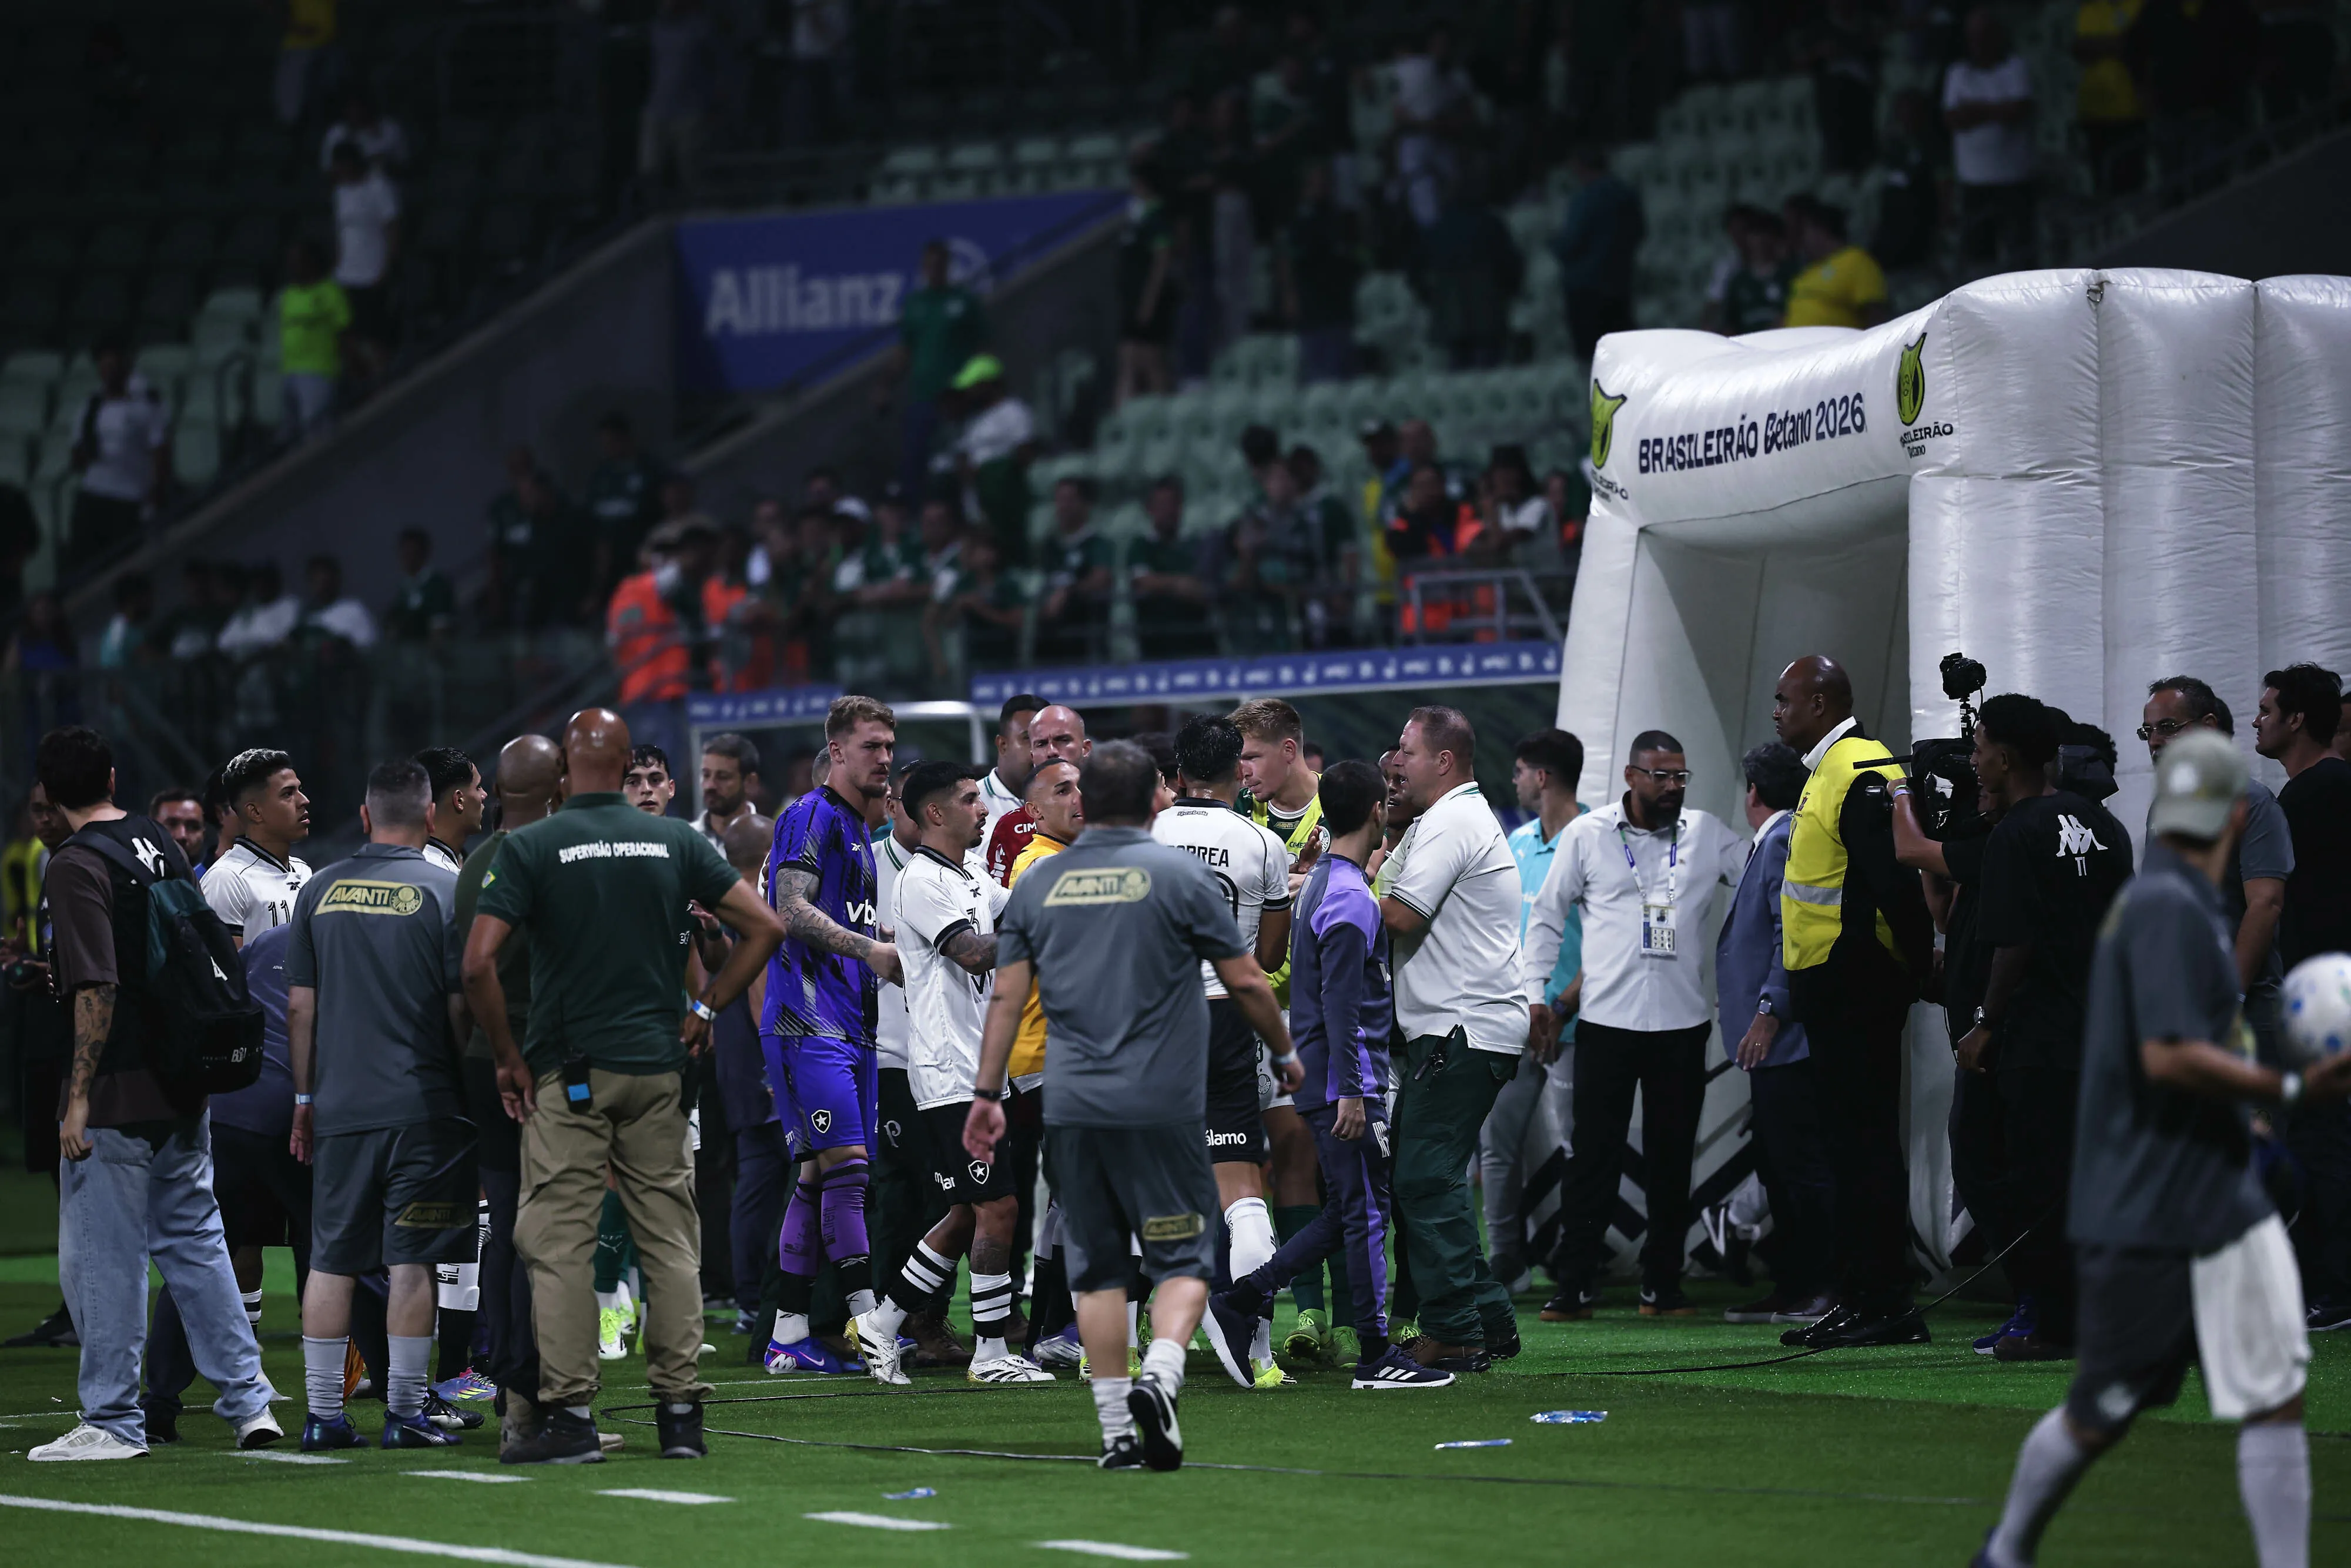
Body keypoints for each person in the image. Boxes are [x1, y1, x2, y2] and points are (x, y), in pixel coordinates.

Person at [1974, 730, 2345, 1568]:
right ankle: (2007, 1550)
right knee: (2103, 1408)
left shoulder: (2186, 911)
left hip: (2217, 1199)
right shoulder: (2167, 914)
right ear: (2232, 814)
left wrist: (2247, 1129)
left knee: (2275, 1393)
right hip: (2149, 1208)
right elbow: (2168, 1056)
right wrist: (2288, 1094)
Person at [466, 708, 784, 1464]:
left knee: (561, 1244)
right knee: (670, 1242)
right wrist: (705, 1007)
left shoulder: (535, 843)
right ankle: (680, 1417)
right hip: (659, 1070)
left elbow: (478, 963)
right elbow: (765, 927)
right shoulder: (675, 840)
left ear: (567, 772)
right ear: (625, 765)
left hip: (569, 1074)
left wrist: (508, 1057)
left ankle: (570, 1417)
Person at [965, 742, 1289, 1469]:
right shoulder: (1178, 876)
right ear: (1153, 800)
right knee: (1183, 1256)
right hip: (1165, 1104)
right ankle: (1164, 1375)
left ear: (1086, 800)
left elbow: (1008, 998)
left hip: (1074, 1104)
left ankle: (1117, 1431)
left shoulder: (1041, 884)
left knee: (1100, 1269)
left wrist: (985, 1095)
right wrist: (1288, 1053)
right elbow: (1246, 977)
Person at [30, 727, 280, 1462]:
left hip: (119, 1090)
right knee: (199, 1246)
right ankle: (251, 1403)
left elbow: (98, 985)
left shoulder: (75, 864)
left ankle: (111, 1420)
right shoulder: (155, 840)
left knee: (105, 1256)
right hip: (185, 1079)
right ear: (112, 775)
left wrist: (77, 1098)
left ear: (47, 792)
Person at [1209, 760, 1452, 1389]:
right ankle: (1374, 1355)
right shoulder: (1348, 897)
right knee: (1366, 1212)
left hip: (1321, 1072)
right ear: (1375, 813)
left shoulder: (1322, 881)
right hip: (1343, 1080)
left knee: (1348, 1209)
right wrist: (1352, 1089)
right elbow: (1344, 1004)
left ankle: (1242, 1299)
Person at [285, 759, 473, 1452]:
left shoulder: (321, 890)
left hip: (338, 1105)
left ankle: (322, 1417)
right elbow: (460, 1005)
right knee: (413, 1261)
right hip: (422, 1106)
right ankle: (404, 1413)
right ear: (429, 818)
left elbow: (299, 1006)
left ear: (364, 816)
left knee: (331, 1259)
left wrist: (304, 1098)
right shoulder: (445, 890)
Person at [1525, 728, 1744, 1320]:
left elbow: (1762, 877)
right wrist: (1535, 996)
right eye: (1661, 775)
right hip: (1606, 1024)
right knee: (1592, 1161)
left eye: (1680, 776)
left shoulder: (1705, 835)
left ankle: (1662, 1285)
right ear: (1630, 776)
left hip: (1681, 1026)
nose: (1673, 786)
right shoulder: (1589, 836)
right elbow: (1546, 916)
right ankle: (1574, 1285)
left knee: (1672, 1162)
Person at [1937, 695, 2132, 1361]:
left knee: (2027, 1179)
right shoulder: (2103, 826)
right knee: (2069, 1179)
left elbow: (2011, 943)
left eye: (1981, 745)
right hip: (2097, 1032)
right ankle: (2062, 1312)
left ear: (2007, 756)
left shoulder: (2014, 835)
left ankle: (2048, 1319)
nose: (1973, 757)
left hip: (2035, 1037)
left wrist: (1985, 1023)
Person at [864, 762, 1050, 1384]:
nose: (983, 809)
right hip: (949, 1073)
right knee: (999, 1206)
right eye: (972, 800)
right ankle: (993, 1352)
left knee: (969, 1211)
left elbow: (1021, 906)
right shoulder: (921, 881)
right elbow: (971, 950)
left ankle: (884, 1321)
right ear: (936, 814)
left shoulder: (968, 871)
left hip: (977, 1072)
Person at [1772, 655, 1937, 1347]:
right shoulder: (1830, 768)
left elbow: (1895, 882)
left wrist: (1912, 965)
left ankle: (1879, 1301)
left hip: (1854, 983)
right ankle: (1866, 1295)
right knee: (1851, 1147)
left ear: (1818, 701)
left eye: (1784, 700)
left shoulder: (1861, 768)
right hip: (1835, 985)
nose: (1776, 712)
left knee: (1861, 1148)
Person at [759, 698, 908, 1379]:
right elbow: (789, 909)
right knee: (847, 1172)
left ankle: (789, 1333)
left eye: (889, 745)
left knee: (820, 1177)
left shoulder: (856, 827)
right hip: (806, 1021)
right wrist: (868, 948)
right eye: (872, 746)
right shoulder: (810, 815)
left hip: (849, 1025)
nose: (885, 757)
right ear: (838, 751)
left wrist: (871, 944)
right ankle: (870, 1319)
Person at [1151, 717, 1300, 1389]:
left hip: (1149, 1022)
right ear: (1238, 771)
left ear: (1178, 772)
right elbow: (1268, 957)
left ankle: (1129, 1346)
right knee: (1243, 1188)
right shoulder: (1261, 843)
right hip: (1225, 1019)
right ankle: (1255, 1346)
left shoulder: (1143, 839)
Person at [1379, 706, 1528, 1369]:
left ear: (1442, 761)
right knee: (1422, 1178)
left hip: (1460, 1026)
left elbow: (1399, 915)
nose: (1395, 761)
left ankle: (1455, 1330)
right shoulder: (1445, 819)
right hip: (1456, 1025)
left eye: (1406, 751)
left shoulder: (1451, 820)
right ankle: (1488, 1318)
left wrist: (1319, 892)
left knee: (1424, 1179)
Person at [453, 733, 563, 1449]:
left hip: (478, 1057)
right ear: (556, 789)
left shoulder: (472, 866)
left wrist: (485, 1055)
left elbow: (463, 980)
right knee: (547, 1229)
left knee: (502, 1228)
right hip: (535, 1057)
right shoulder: (548, 858)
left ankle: (501, 1374)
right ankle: (534, 1388)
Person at [1717, 742, 1837, 1325]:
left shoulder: (1785, 840)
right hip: (1772, 1040)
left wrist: (1769, 1009)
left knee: (1802, 1168)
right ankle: (1791, 1283)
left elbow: (1792, 936)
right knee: (1777, 1165)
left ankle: (1822, 1286)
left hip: (1786, 1037)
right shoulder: (1774, 842)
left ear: (1754, 794)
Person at [2250, 662, 2351, 1332]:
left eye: (2265, 710)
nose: (2256, 719)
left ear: (2294, 719)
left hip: (2322, 991)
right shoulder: (2314, 791)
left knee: (2321, 1138)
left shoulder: (2315, 794)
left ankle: (2333, 1287)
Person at [1489, 729, 1585, 1296]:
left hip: (1581, 1021)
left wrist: (1565, 999)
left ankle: (1577, 1259)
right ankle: (1505, 1259)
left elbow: (1614, 933)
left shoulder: (1599, 838)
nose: (1516, 780)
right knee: (1496, 1145)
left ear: (1542, 777)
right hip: (1520, 1019)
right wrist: (1528, 1004)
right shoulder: (1518, 844)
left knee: (1582, 1149)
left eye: (1521, 770)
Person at [883, 239, 987, 497]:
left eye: (940, 264)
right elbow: (905, 350)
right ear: (923, 268)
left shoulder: (964, 301)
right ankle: (918, 520)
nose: (935, 269)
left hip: (957, 399)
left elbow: (983, 349)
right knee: (914, 462)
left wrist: (977, 387)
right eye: (930, 265)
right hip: (922, 397)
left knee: (959, 463)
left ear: (948, 266)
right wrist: (886, 384)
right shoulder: (914, 304)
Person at [65, 336, 169, 572]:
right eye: (104, 367)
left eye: (113, 366)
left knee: (123, 565)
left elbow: (161, 451)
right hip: (93, 495)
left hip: (128, 499)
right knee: (83, 565)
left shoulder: (146, 406)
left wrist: (156, 494)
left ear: (126, 367)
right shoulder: (90, 406)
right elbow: (77, 455)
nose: (108, 372)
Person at [1944, 8, 2038, 268]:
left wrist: (1975, 111)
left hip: (2015, 179)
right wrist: (1996, 110)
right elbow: (1953, 119)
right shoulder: (1957, 73)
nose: (1979, 42)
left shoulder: (2016, 67)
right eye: (1974, 36)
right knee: (1980, 259)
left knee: (2022, 256)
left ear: (1997, 36)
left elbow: (2019, 111)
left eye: (1985, 35)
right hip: (1974, 183)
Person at [203, 748, 313, 943]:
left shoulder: (304, 871)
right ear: (255, 812)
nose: (304, 801)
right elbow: (227, 971)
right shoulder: (226, 879)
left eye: (299, 790)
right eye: (288, 794)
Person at [1551, 144, 1643, 359]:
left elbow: (1571, 244)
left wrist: (1553, 242)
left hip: (1586, 290)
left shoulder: (1585, 200)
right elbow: (1640, 232)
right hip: (1620, 284)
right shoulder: (1626, 195)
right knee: (1622, 354)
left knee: (1592, 358)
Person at [987, 704, 1090, 884]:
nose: (1052, 751)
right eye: (1041, 744)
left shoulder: (1115, 814)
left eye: (1063, 740)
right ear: (1032, 755)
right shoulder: (1011, 826)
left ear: (1086, 748)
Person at [328, 140, 398, 384]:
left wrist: (387, 268)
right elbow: (341, 232)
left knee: (374, 336)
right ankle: (360, 385)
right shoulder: (340, 192)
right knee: (348, 338)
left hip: (372, 273)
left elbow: (393, 228)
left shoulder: (379, 187)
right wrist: (338, 265)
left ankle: (383, 384)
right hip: (346, 275)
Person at [277, 239, 349, 442]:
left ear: (311, 262)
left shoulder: (330, 292)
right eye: (290, 262)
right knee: (289, 434)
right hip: (290, 371)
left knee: (316, 436)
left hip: (318, 372)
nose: (292, 266)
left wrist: (347, 366)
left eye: (297, 261)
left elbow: (344, 332)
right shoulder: (289, 294)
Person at [1782, 196, 1888, 330]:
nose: (1802, 240)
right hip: (1794, 346)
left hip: (1834, 346)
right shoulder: (1808, 271)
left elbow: (1875, 313)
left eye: (1805, 232)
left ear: (1822, 231)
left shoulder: (1856, 260)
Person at [978, 694, 1045, 859]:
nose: (1038, 750)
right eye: (1028, 738)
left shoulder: (1072, 801)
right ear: (1003, 745)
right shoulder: (969, 804)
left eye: (1043, 741)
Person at [414, 746, 484, 874]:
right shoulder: (443, 876)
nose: (484, 795)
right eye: (478, 787)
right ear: (459, 800)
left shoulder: (410, 861)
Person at [696, 733, 761, 852]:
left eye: (723, 777)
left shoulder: (772, 841)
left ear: (750, 782)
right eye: (706, 775)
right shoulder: (684, 840)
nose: (711, 786)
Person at [148, 786, 207, 872]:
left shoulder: (215, 881)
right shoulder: (130, 880)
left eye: (193, 827)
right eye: (172, 824)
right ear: (150, 829)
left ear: (203, 834)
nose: (182, 836)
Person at [624, 744, 677, 816]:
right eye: (633, 783)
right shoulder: (604, 827)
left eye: (655, 780)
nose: (646, 789)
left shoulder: (684, 827)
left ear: (671, 789)